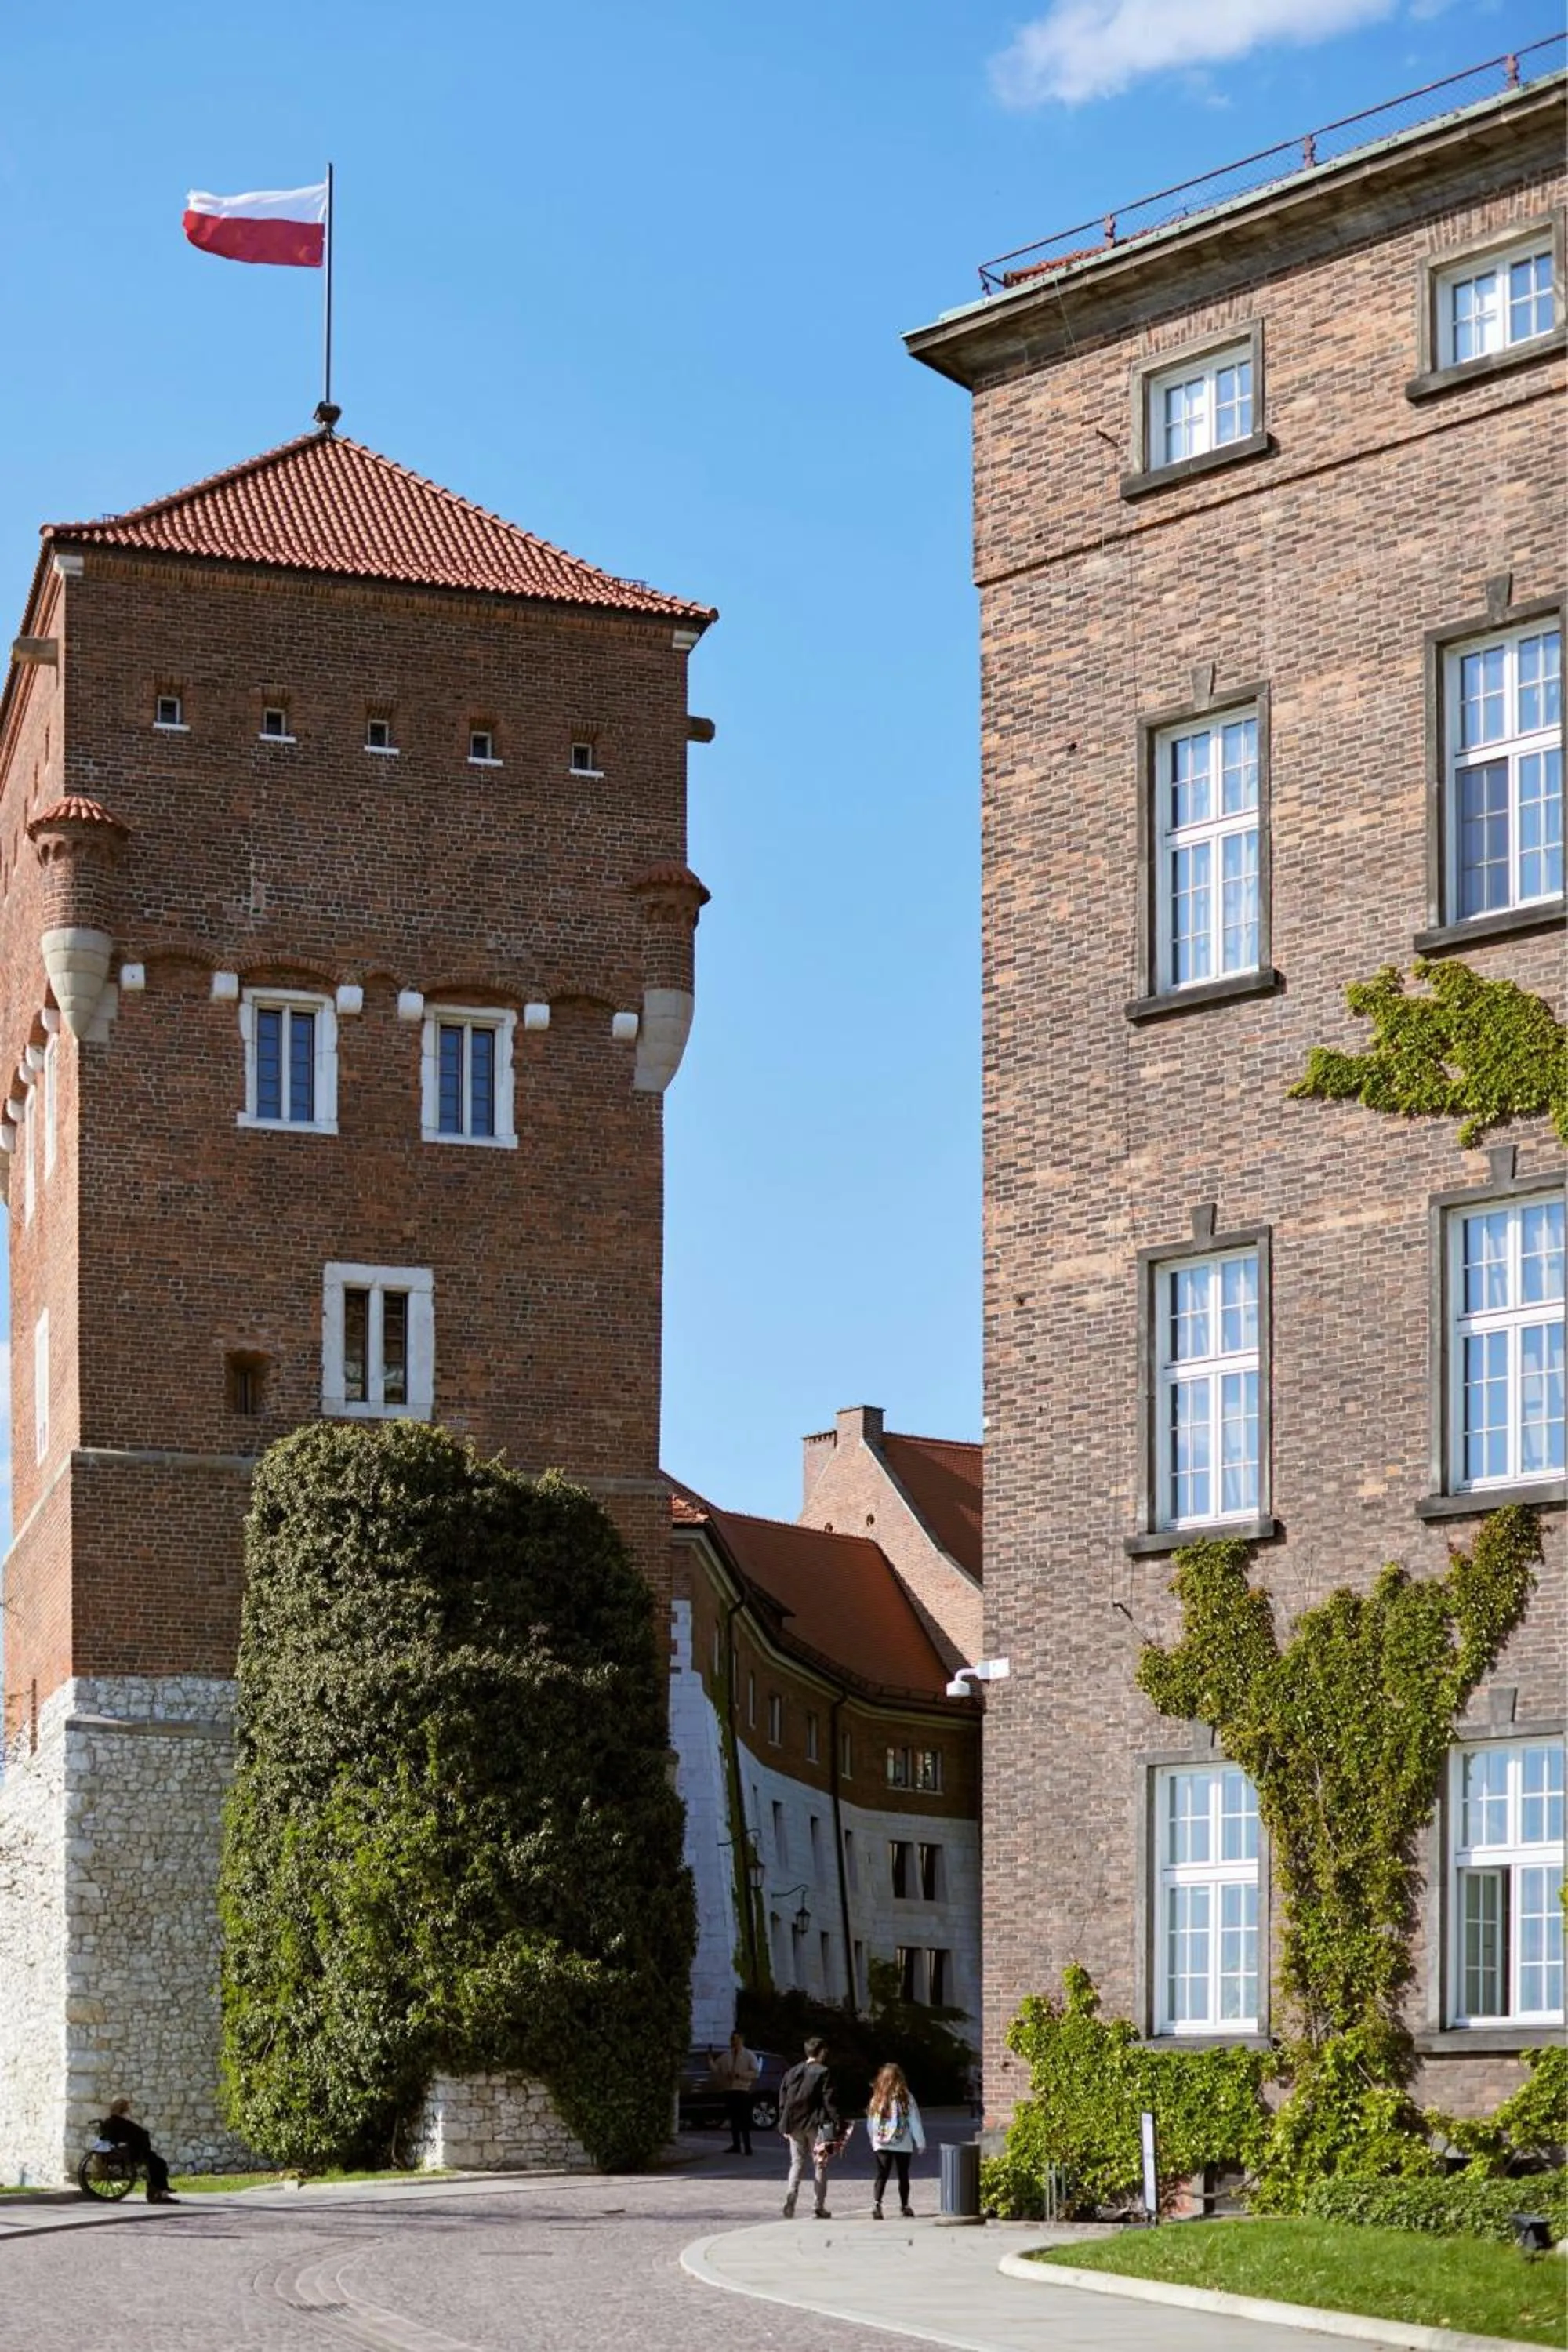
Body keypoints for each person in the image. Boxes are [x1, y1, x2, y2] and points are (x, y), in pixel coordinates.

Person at [777, 2035, 842, 2219]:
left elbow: (783, 2099)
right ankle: (818, 2206)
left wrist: (784, 2124)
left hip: (793, 2123)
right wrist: (837, 2122)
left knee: (796, 2162)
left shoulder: (792, 2072)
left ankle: (791, 2195)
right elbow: (828, 2101)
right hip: (815, 2123)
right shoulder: (823, 2072)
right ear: (821, 2052)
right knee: (820, 2163)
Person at [866, 2063, 925, 2219]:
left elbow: (871, 2122)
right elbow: (915, 2121)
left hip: (882, 2142)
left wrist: (873, 2140)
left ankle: (877, 2205)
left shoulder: (877, 2097)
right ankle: (904, 2206)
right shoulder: (907, 2097)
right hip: (903, 2142)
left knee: (882, 2174)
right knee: (903, 2175)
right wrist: (920, 2142)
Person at [100, 2098, 177, 2203]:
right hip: (132, 2153)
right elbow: (141, 2134)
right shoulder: (122, 2123)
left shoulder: (109, 2122)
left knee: (155, 2162)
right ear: (123, 2110)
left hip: (121, 2151)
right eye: (127, 2109)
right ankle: (159, 2192)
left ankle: (158, 2191)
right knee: (159, 2163)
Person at [708, 2030, 760, 2154]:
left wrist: (740, 2075)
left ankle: (747, 2146)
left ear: (741, 2040)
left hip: (742, 2090)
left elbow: (755, 2073)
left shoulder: (749, 2055)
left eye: (736, 2039)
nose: (733, 2042)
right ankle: (736, 2145)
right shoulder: (726, 2056)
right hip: (729, 2090)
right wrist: (710, 2060)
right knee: (734, 2119)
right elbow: (717, 2069)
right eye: (732, 2039)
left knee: (744, 2119)